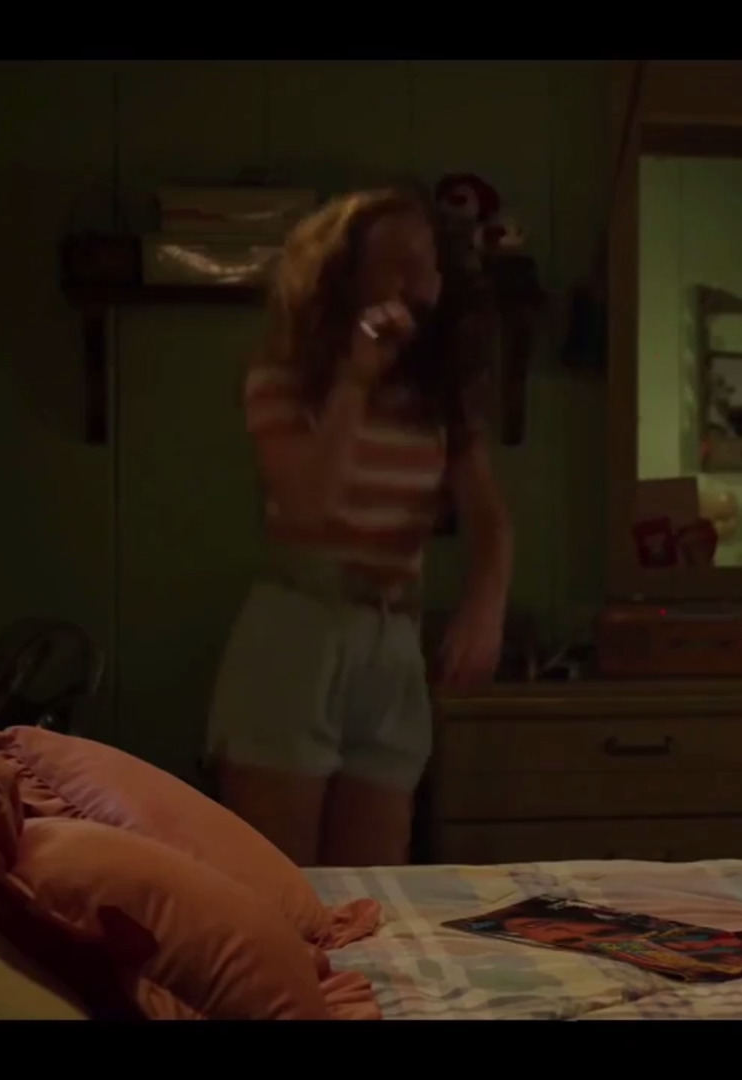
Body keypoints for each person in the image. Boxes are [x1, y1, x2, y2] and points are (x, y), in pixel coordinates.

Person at [203, 189, 513, 868]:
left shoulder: (439, 396)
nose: (417, 280)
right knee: (285, 887)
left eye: (427, 262)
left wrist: (485, 607)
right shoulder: (285, 378)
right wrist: (353, 380)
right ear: (345, 276)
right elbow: (309, 506)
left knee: (375, 892)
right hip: (302, 632)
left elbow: (490, 517)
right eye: (396, 261)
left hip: (395, 641)